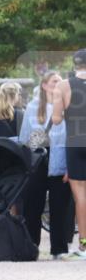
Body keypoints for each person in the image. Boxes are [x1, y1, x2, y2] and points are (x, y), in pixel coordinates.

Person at [19, 71, 73, 259]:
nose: (57, 85)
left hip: (61, 158)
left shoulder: (69, 107)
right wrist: (42, 137)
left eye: (59, 82)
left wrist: (70, 166)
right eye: (53, 81)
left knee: (60, 208)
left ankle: (58, 249)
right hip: (39, 160)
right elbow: (25, 139)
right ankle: (32, 246)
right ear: (44, 85)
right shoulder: (33, 107)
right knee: (33, 206)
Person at [51, 48, 86, 259]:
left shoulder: (63, 85)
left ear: (74, 65)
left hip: (75, 142)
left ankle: (84, 243)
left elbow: (56, 119)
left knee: (80, 197)